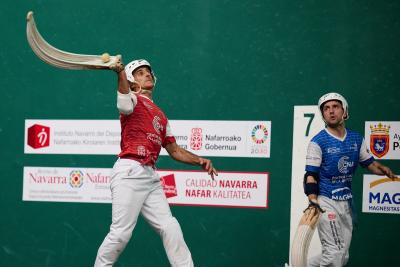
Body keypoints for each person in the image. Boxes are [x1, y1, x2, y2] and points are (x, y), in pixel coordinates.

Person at [94, 58, 218, 267]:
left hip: (150, 176)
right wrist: (120, 73)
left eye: (148, 72)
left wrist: (199, 160)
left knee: (169, 226)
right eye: (141, 73)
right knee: (120, 234)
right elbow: (123, 103)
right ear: (133, 81)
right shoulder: (132, 99)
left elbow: (175, 150)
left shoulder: (160, 115)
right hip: (129, 171)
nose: (147, 74)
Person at [303, 92, 397, 267]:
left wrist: (382, 169)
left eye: (335, 107)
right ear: (322, 114)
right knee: (334, 255)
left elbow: (368, 163)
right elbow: (310, 176)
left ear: (345, 111)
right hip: (325, 201)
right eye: (326, 108)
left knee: (341, 256)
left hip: (346, 203)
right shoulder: (318, 142)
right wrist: (313, 200)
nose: (331, 111)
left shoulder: (356, 138)